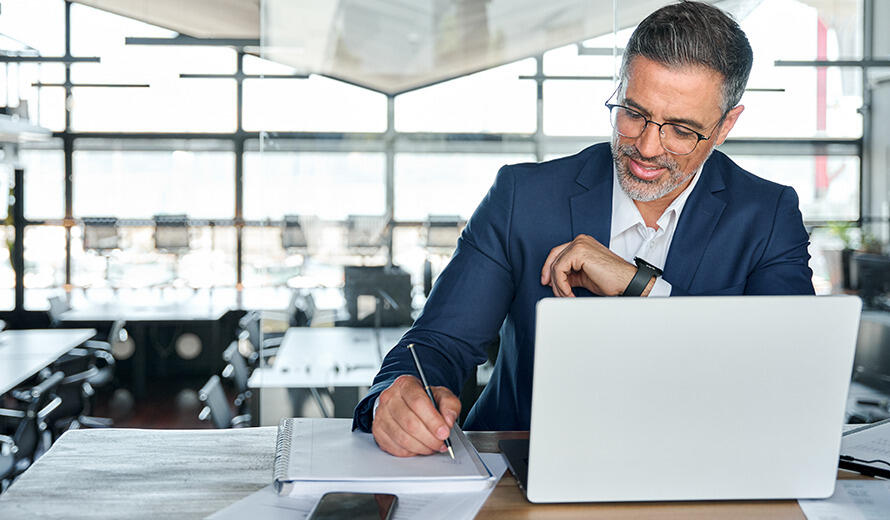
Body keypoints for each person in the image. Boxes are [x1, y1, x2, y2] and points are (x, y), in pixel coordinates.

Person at [353, 1, 815, 457]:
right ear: (619, 87)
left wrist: (641, 287)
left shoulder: (767, 215)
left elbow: (787, 378)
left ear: (726, 124)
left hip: (696, 470)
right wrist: (395, 397)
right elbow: (437, 343)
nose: (647, 147)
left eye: (680, 129)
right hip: (516, 470)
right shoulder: (523, 197)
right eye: (633, 112)